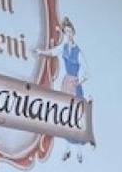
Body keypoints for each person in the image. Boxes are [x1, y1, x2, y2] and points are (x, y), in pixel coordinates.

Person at [36, 16, 90, 162]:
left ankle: (79, 152)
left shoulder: (78, 51)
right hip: (66, 84)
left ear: (73, 32)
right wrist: (41, 52)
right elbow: (53, 52)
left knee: (75, 118)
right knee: (66, 117)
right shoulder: (64, 48)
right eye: (66, 32)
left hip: (74, 85)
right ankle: (67, 149)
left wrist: (79, 81)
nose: (68, 34)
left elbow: (87, 72)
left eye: (70, 31)